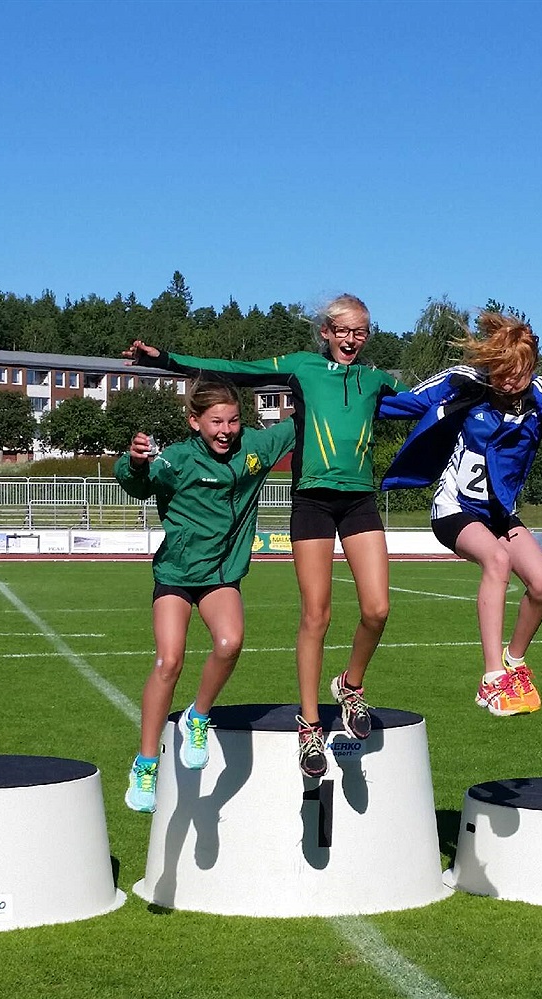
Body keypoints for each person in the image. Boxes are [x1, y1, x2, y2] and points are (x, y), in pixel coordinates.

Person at [124, 294, 408, 777]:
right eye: (342, 330)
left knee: (378, 609)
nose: (350, 339)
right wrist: (167, 360)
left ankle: (350, 685)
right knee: (316, 614)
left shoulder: (375, 380)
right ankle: (310, 726)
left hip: (360, 499)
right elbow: (235, 369)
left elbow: (422, 404)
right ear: (325, 331)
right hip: (313, 502)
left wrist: (487, 391)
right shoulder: (301, 368)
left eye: (360, 332)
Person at [379, 310, 542, 716]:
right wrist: (361, 400)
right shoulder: (465, 382)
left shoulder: (539, 392)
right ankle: (491, 679)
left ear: (531, 367)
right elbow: (410, 401)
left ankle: (514, 662)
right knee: (497, 560)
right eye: (501, 373)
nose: (508, 382)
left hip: (499, 514)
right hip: (454, 509)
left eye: (517, 374)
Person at [115, 376, 295, 812]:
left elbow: (304, 420)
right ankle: (145, 764)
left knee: (230, 643)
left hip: (221, 574)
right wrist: (133, 462)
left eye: (233, 420)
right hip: (177, 573)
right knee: (169, 661)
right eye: (216, 421)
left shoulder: (256, 448)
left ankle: (197, 716)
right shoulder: (176, 460)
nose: (226, 430)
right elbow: (137, 483)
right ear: (194, 421)